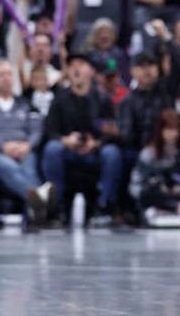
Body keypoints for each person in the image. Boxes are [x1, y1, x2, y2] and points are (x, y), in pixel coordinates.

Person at [41, 54, 122, 224]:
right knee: (52, 149)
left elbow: (112, 131)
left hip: (94, 152)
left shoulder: (102, 99)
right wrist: (66, 140)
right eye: (72, 65)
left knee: (112, 152)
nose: (76, 68)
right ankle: (57, 207)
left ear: (91, 71)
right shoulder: (59, 98)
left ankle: (104, 207)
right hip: (68, 151)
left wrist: (96, 143)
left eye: (81, 64)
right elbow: (50, 131)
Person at [0, 59, 54, 224]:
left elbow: (36, 131)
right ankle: (40, 196)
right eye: (1, 74)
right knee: (9, 167)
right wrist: (3, 146)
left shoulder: (26, 104)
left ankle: (34, 209)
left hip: (24, 148)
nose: (6, 78)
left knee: (29, 166)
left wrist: (27, 145)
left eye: (9, 74)